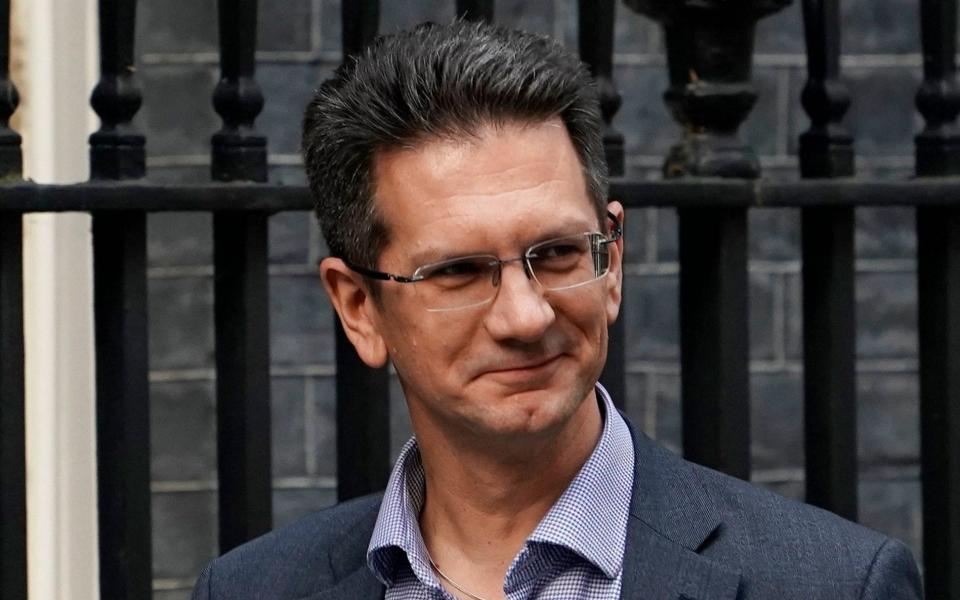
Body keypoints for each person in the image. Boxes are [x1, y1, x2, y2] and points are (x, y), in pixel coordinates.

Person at [192, 20, 923, 600]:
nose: (525, 316)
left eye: (558, 255)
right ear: (360, 309)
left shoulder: (830, 583)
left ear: (613, 261)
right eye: (458, 271)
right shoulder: (253, 590)